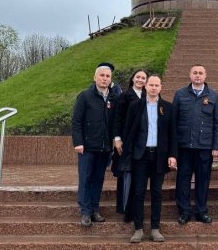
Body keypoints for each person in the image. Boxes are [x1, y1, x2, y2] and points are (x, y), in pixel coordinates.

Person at [121, 75, 177, 243]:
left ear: (161, 87)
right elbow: (128, 131)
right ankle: (138, 229)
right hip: (141, 156)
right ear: (145, 86)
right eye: (150, 85)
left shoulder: (168, 107)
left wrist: (173, 155)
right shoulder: (135, 106)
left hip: (159, 155)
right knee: (138, 192)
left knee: (157, 193)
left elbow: (172, 134)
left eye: (156, 85)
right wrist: (128, 153)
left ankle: (155, 228)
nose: (153, 88)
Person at [173, 64, 218, 225]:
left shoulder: (214, 96)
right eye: (195, 72)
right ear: (190, 75)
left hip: (205, 147)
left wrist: (217, 146)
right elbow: (174, 122)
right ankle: (184, 211)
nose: (198, 75)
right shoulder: (180, 94)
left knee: (203, 179)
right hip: (184, 146)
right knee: (183, 179)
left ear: (205, 75)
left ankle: (201, 211)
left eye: (201, 73)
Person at [71, 62, 119, 227]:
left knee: (98, 179)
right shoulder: (85, 96)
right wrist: (78, 142)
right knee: (85, 178)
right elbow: (76, 121)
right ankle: (85, 212)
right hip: (87, 147)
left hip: (104, 147)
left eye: (107, 76)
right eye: (102, 75)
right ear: (95, 77)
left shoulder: (113, 98)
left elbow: (115, 122)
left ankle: (94, 209)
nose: (105, 79)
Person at [112, 69, 148, 222]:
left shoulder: (149, 96)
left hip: (143, 143)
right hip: (127, 141)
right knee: (126, 175)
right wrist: (117, 138)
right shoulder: (125, 96)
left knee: (138, 177)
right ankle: (125, 208)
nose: (140, 80)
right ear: (133, 78)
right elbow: (117, 118)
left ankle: (136, 208)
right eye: (138, 77)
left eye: (143, 78)